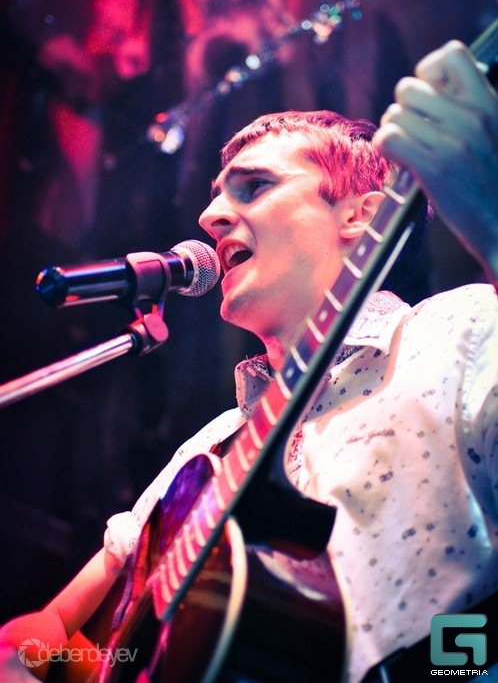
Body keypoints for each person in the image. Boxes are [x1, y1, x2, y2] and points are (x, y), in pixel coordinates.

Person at [0, 38, 497, 682]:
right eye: (215, 195)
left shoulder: (457, 331)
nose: (210, 216)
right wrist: (40, 660)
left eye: (255, 186)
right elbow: (54, 632)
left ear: (360, 216)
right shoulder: (214, 448)